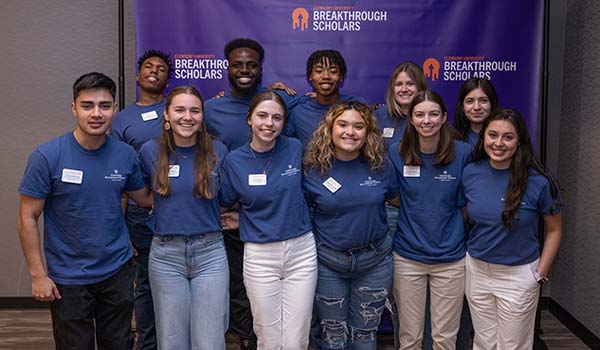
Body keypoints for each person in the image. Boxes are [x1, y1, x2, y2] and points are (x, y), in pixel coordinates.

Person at [17, 72, 152, 350]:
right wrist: (38, 275)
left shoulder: (126, 155)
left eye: (104, 106)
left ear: (114, 109)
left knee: (118, 344)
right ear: (74, 108)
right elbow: (27, 217)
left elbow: (145, 199)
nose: (96, 113)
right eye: (87, 105)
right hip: (68, 277)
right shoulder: (47, 156)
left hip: (117, 271)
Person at [203, 37, 296, 350]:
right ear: (227, 68)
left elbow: (317, 104)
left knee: (284, 287)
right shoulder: (210, 108)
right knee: (239, 284)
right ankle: (247, 338)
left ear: (261, 68)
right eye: (238, 64)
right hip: (230, 211)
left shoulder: (279, 102)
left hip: (273, 214)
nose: (244, 70)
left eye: (251, 65)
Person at [220, 91, 317, 350]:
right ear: (249, 119)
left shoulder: (295, 148)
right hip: (260, 256)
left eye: (277, 118)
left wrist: (243, 219)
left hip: (301, 252)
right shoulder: (234, 161)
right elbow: (223, 203)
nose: (269, 123)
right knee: (267, 336)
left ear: (284, 122)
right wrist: (244, 219)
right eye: (262, 116)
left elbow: (304, 193)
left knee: (297, 338)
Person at [462, 109, 562, 350]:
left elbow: (555, 230)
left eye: (508, 137)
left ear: (519, 141)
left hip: (518, 276)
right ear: (483, 137)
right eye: (492, 135)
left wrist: (540, 273)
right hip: (477, 271)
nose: (498, 143)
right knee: (483, 342)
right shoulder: (470, 173)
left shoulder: (538, 181)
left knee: (513, 345)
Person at [303, 101, 399, 349]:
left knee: (365, 335)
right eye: (343, 124)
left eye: (359, 126)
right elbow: (298, 210)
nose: (350, 132)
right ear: (330, 129)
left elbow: (396, 201)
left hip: (374, 262)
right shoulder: (313, 168)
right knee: (333, 336)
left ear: (368, 133)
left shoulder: (381, 166)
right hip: (328, 263)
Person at [139, 86, 229, 350]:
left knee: (210, 340)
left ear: (202, 117)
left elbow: (232, 195)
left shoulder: (219, 151)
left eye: (194, 110)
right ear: (166, 114)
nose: (187, 117)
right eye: (179, 110)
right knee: (171, 339)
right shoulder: (148, 151)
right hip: (166, 256)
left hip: (210, 253)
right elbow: (137, 195)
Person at [389, 90, 472, 350]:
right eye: (420, 114)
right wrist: (421, 210)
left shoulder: (463, 153)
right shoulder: (396, 152)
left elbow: (468, 203)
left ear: (444, 117)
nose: (427, 120)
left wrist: (443, 221)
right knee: (410, 338)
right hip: (407, 257)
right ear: (411, 119)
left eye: (434, 114)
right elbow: (392, 196)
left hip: (450, 259)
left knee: (444, 339)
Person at [111, 48, 173, 350]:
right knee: (145, 284)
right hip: (139, 212)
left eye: (162, 68)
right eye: (149, 66)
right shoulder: (121, 119)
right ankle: (148, 343)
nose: (155, 71)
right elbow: (117, 174)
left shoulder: (178, 109)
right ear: (138, 75)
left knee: (175, 283)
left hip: (178, 208)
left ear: (168, 78)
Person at [285, 49, 365, 148]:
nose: (326, 76)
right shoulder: (299, 113)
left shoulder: (357, 105)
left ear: (341, 77)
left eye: (333, 71)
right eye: (319, 71)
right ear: (310, 76)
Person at [375, 61, 428, 149]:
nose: (404, 89)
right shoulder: (379, 116)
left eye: (410, 84)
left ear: (420, 86)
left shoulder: (430, 117)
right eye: (398, 84)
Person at [452, 78, 499, 146]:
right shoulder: (451, 138)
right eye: (470, 101)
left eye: (483, 100)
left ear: (492, 104)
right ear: (462, 107)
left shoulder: (503, 136)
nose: (476, 107)